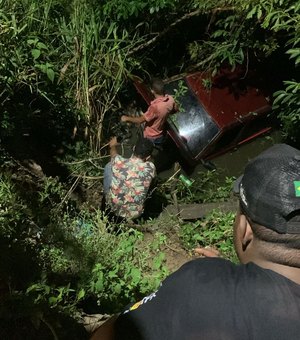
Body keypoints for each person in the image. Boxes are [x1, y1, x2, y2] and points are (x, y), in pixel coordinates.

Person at [93, 143, 300, 339]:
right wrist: (233, 275)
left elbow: (106, 335)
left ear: (245, 230)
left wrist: (214, 278)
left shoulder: (200, 283)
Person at [103, 136, 156, 220]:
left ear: (134, 148)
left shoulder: (119, 161)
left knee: (109, 166)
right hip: (135, 214)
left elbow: (113, 153)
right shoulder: (151, 167)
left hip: (113, 209)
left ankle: (106, 202)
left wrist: (113, 145)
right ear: (148, 157)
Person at [121, 78, 178, 146]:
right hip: (160, 134)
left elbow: (140, 120)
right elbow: (175, 110)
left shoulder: (155, 107)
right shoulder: (171, 99)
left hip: (150, 136)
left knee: (143, 149)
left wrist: (126, 118)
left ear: (152, 91)